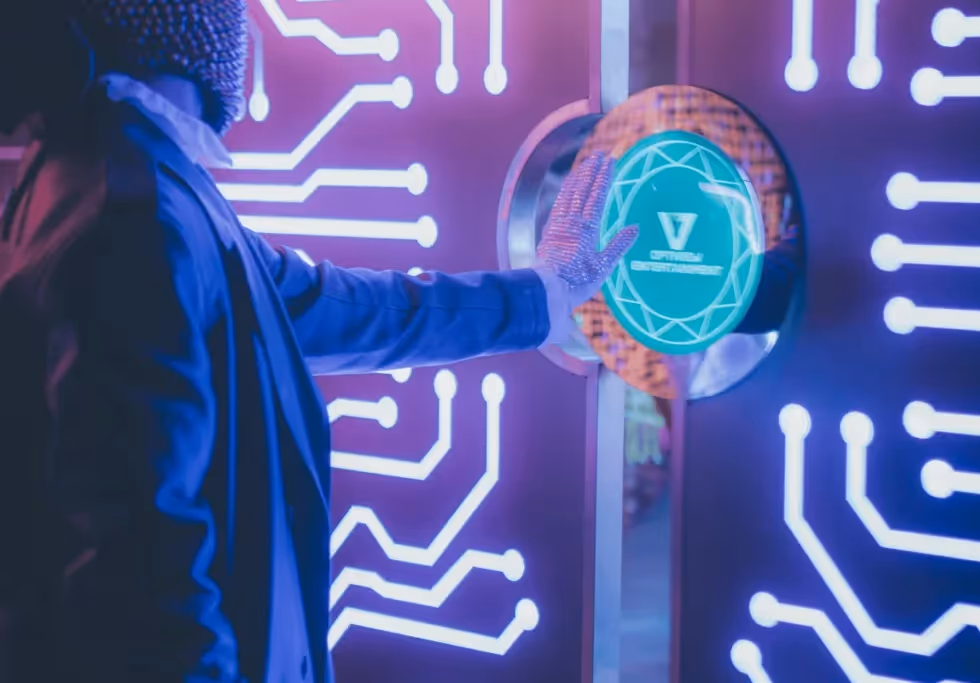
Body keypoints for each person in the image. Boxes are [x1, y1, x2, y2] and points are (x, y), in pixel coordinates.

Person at [0, 3, 638, 682]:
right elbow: (142, 571)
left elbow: (339, 307)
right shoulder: (132, 213)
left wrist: (540, 294)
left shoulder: (132, 177)